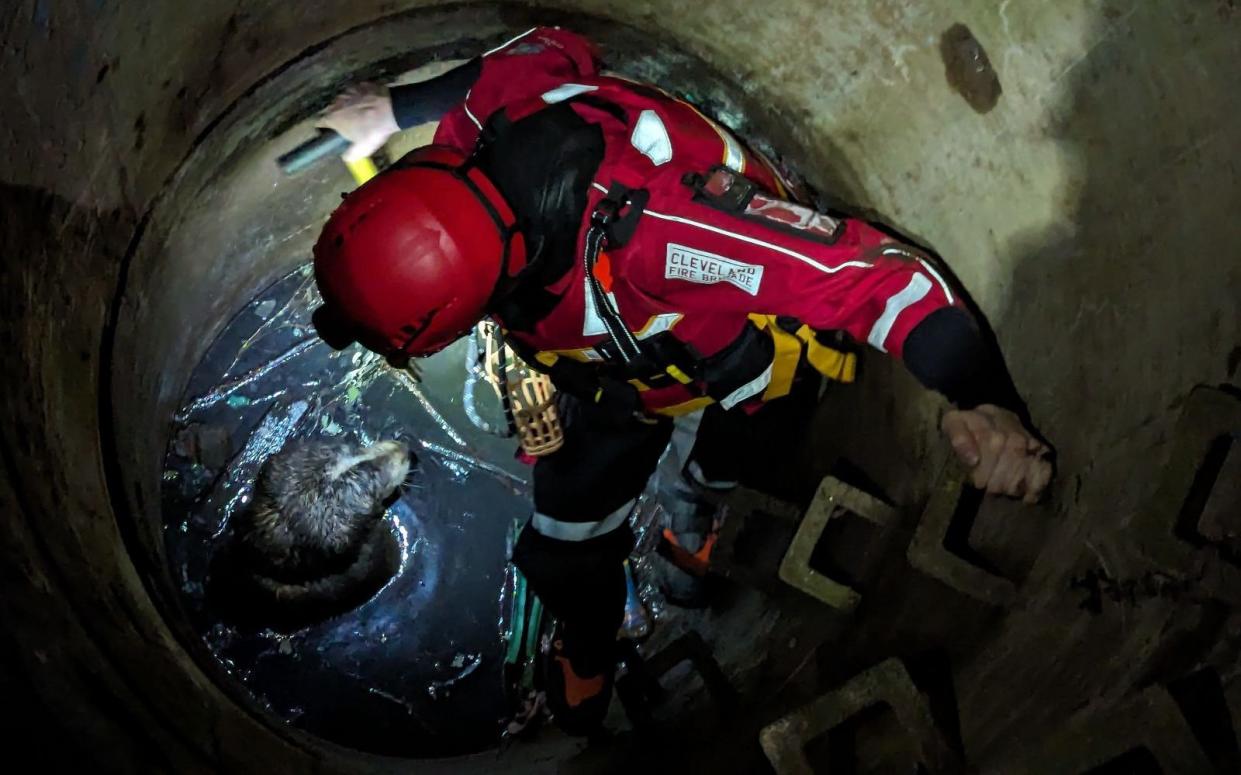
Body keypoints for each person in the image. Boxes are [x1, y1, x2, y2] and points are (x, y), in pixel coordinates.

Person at [310, 26, 1053, 735]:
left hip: (726, 357)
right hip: (613, 368)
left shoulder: (658, 236)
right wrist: (391, 110)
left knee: (727, 452)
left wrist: (980, 395)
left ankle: (692, 522)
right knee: (564, 536)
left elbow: (869, 282)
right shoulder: (477, 125)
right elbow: (547, 49)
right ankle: (590, 647)